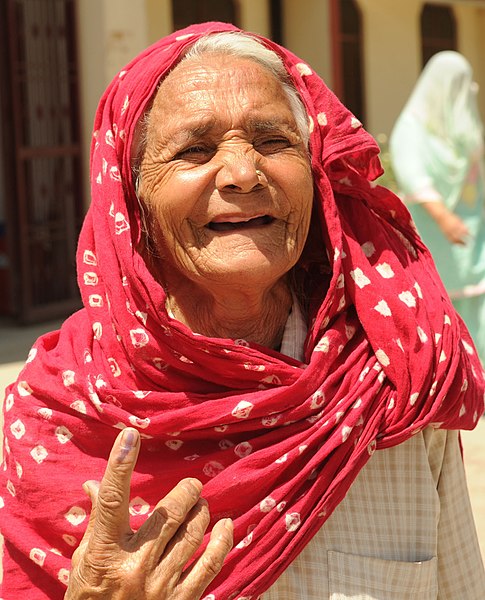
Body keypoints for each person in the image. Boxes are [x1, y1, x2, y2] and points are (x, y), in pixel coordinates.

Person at [1, 22, 484, 600]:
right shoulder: (60, 411)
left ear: (316, 174)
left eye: (273, 142)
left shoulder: (391, 383)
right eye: (195, 150)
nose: (242, 174)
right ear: (132, 198)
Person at [390, 51, 485, 363]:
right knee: (441, 304)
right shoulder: (412, 128)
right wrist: (443, 217)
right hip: (433, 229)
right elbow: (413, 175)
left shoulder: (461, 121)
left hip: (473, 230)